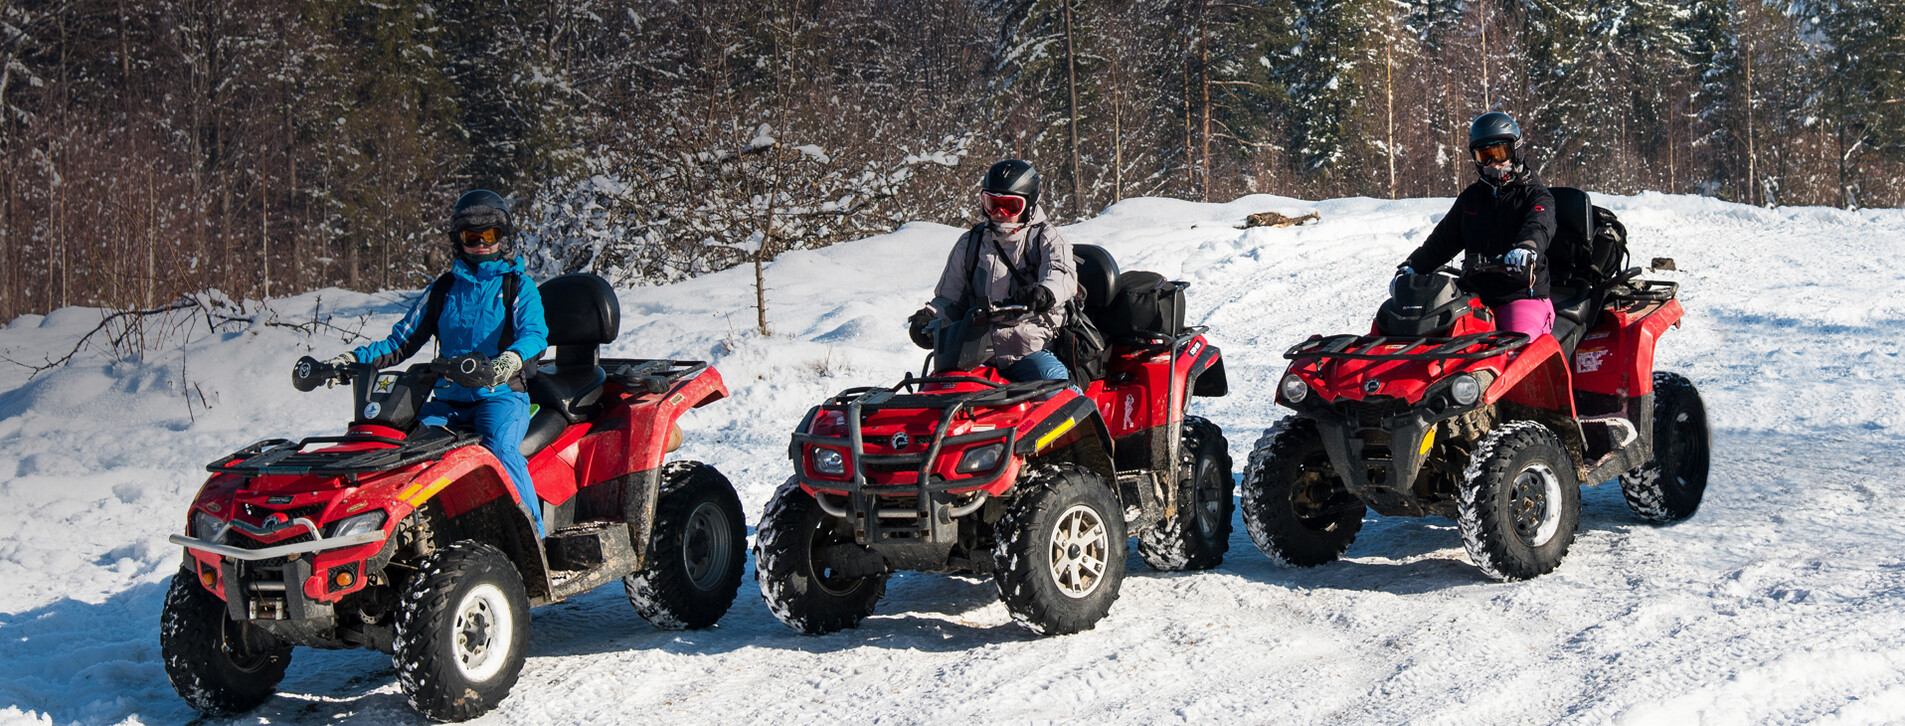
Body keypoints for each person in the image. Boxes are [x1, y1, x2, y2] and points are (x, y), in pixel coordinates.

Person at [320, 190, 551, 536]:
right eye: (471, 238)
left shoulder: (517, 287)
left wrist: (508, 361)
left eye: (490, 235)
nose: (481, 244)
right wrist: (353, 359)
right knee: (403, 448)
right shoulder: (444, 289)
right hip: (447, 401)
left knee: (500, 448)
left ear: (504, 237)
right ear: (458, 241)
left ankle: (532, 535)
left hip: (501, 397)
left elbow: (534, 334)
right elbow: (402, 340)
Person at [909, 159, 1080, 383]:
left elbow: (1062, 274)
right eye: (992, 203)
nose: (999, 213)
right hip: (975, 352)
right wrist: (930, 318)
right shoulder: (972, 242)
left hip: (1030, 348)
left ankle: (1084, 414)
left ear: (1028, 205)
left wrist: (1044, 293)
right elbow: (949, 300)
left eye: (1010, 206)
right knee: (937, 392)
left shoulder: (1045, 239)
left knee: (1056, 389)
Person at [1399, 111, 1559, 339]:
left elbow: (1539, 225)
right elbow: (1443, 241)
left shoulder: (1535, 196)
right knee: (1432, 340)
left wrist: (1527, 247)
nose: (1493, 163)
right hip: (1473, 297)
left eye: (1500, 153)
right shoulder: (1471, 199)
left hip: (1520, 294)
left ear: (1516, 151)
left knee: (1519, 346)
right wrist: (1413, 266)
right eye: (1485, 156)